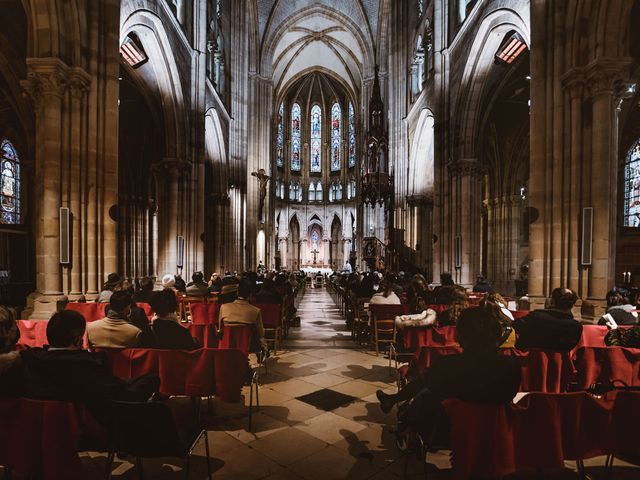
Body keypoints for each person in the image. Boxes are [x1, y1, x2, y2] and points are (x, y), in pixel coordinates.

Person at [19, 310, 159, 425]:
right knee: (150, 380)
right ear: (77, 339)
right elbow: (113, 391)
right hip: (96, 424)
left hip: (45, 424)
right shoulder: (89, 363)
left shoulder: (31, 360)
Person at [376, 307, 521, 414]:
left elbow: (423, 385)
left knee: (424, 391)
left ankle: (395, 402)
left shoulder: (449, 364)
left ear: (462, 337)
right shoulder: (511, 365)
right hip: (496, 427)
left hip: (451, 426)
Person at [513, 287, 582, 352]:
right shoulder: (576, 327)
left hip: (529, 361)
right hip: (560, 363)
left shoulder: (536, 317)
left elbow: (515, 326)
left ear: (553, 301)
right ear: (572, 304)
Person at [219, 279, 267, 351]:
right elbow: (261, 333)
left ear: (237, 293)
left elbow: (220, 328)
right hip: (248, 345)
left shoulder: (224, 307)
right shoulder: (255, 311)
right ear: (250, 295)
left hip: (227, 343)